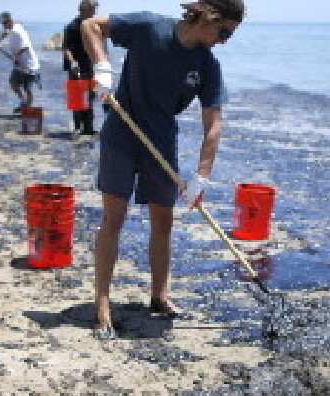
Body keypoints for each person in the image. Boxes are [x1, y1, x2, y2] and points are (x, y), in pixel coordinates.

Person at [82, 0, 244, 338]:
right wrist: (102, 68)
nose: (225, 41)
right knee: (113, 219)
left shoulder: (207, 65)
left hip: (162, 141)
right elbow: (91, 26)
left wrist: (201, 176)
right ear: (209, 16)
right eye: (225, 33)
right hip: (121, 135)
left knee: (163, 221)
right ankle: (102, 302)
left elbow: (213, 125)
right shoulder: (148, 27)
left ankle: (158, 296)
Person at [63, 0, 101, 136]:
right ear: (83, 10)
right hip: (76, 67)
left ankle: (89, 128)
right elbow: (66, 49)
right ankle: (78, 128)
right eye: (92, 9)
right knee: (77, 98)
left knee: (89, 98)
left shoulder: (92, 25)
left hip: (89, 66)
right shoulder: (72, 27)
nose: (94, 12)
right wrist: (73, 63)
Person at [0, 11, 41, 112]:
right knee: (13, 82)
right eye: (2, 23)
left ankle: (27, 108)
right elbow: (5, 33)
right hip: (20, 64)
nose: (3, 25)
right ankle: (24, 103)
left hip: (29, 64)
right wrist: (0, 40)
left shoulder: (18, 31)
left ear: (10, 20)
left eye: (5, 23)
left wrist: (16, 56)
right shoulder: (11, 28)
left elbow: (25, 46)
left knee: (27, 88)